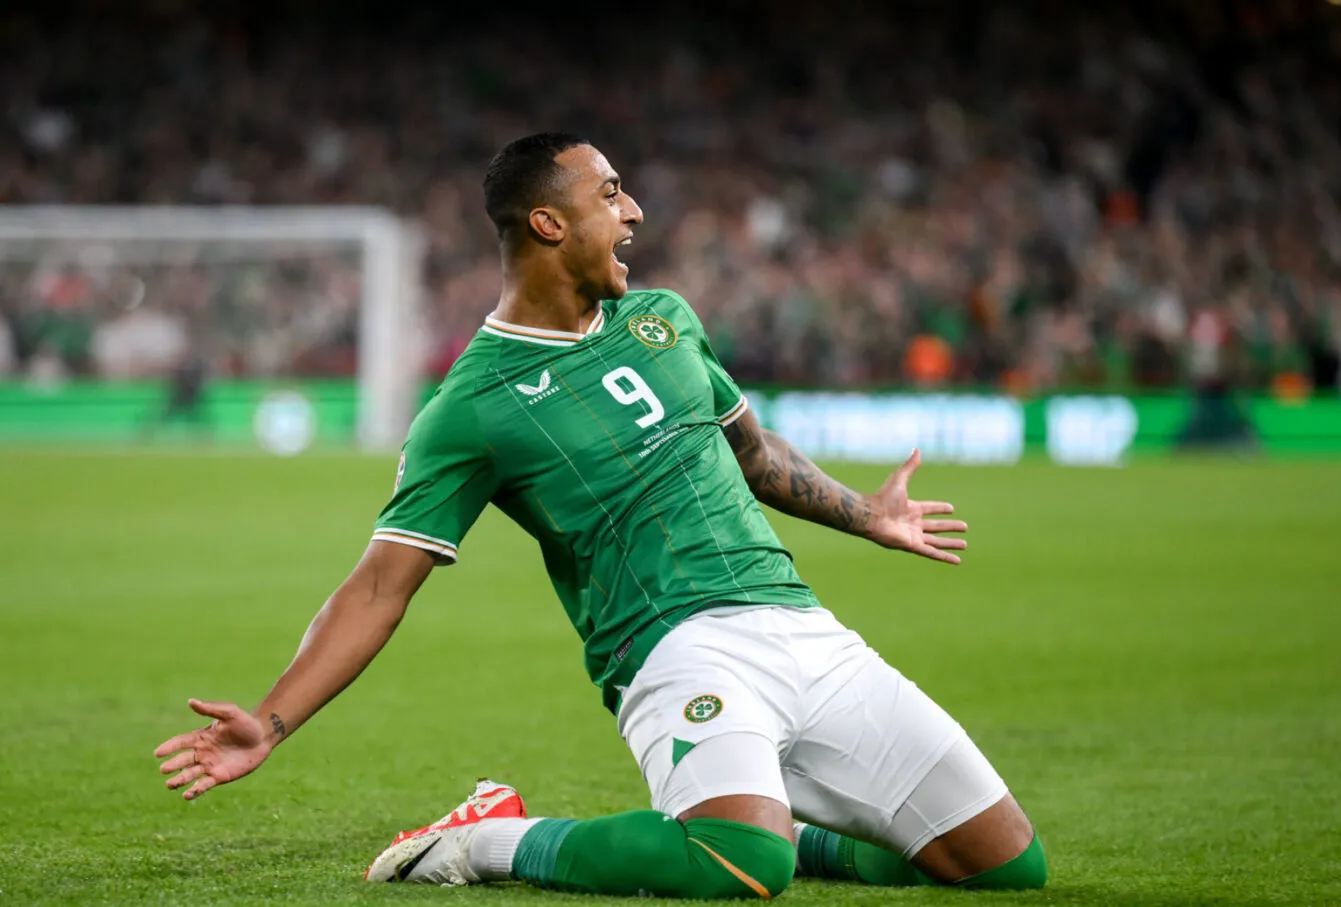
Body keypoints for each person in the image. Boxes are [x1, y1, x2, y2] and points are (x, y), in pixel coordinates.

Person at [153, 133, 1048, 897]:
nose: (635, 214)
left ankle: (787, 826)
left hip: (799, 623)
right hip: (668, 643)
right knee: (739, 865)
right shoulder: (470, 408)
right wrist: (269, 722)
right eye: (611, 194)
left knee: (1007, 867)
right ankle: (484, 838)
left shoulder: (662, 319)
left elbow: (755, 453)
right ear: (550, 223)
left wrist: (868, 516)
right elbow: (382, 584)